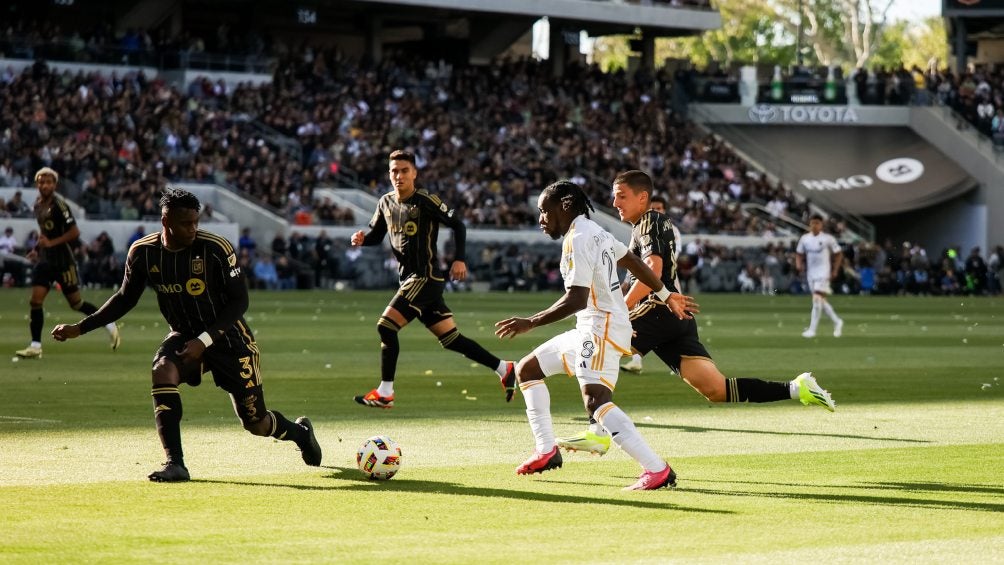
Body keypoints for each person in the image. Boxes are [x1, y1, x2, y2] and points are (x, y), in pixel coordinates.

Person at [557, 171, 836, 456]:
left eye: (621, 195)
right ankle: (796, 388)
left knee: (599, 349)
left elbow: (653, 270)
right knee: (716, 389)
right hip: (675, 318)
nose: (614, 201)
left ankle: (597, 430)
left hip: (658, 310)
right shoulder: (641, 227)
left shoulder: (650, 220)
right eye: (614, 195)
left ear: (643, 198)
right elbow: (641, 274)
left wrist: (622, 310)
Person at [51, 188, 322, 482]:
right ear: (166, 221)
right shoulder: (143, 253)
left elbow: (239, 301)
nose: (193, 229)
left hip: (230, 339)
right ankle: (175, 464)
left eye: (196, 222)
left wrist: (204, 341)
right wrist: (81, 327)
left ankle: (300, 433)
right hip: (183, 335)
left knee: (255, 423)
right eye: (186, 223)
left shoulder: (216, 249)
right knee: (162, 369)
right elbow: (125, 299)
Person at [495, 180, 696, 491]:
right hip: (592, 326)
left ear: (564, 206)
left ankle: (657, 470)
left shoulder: (578, 238)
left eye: (544, 211)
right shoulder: (595, 231)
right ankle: (547, 451)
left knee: (596, 401)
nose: (541, 219)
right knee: (528, 369)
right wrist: (667, 293)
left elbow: (576, 298)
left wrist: (530, 322)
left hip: (600, 328)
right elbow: (633, 262)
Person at [350, 150, 515, 408]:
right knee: (451, 339)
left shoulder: (425, 200)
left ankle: (385, 392)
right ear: (389, 174)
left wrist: (459, 258)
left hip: (424, 277)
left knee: (386, 326)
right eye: (395, 171)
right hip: (409, 280)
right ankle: (504, 368)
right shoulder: (385, 202)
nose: (399, 176)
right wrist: (362, 240)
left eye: (405, 170)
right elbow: (377, 234)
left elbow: (458, 225)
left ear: (414, 173)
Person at [15, 168, 119, 359]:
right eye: (41, 182)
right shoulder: (37, 205)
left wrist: (51, 243)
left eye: (48, 182)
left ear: (55, 185)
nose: (45, 185)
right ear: (37, 184)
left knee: (76, 303)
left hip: (63, 261)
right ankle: (35, 346)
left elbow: (74, 233)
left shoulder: (60, 205)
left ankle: (109, 323)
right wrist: (37, 250)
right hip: (46, 261)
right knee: (35, 301)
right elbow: (44, 233)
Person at [621, 192, 680, 374]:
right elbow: (636, 262)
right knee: (637, 324)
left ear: (665, 210)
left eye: (659, 208)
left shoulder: (671, 230)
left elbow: (657, 263)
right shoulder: (640, 229)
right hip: (644, 284)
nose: (655, 211)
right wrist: (626, 282)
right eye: (653, 208)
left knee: (670, 324)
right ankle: (637, 360)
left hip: (664, 287)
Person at [796, 213, 844, 338]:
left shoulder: (828, 239)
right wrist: (798, 264)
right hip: (811, 273)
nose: (815, 226)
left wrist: (835, 270)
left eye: (817, 223)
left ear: (821, 225)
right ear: (809, 224)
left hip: (823, 272)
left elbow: (838, 254)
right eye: (812, 223)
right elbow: (799, 253)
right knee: (820, 301)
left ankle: (812, 330)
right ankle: (837, 321)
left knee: (816, 299)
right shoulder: (804, 238)